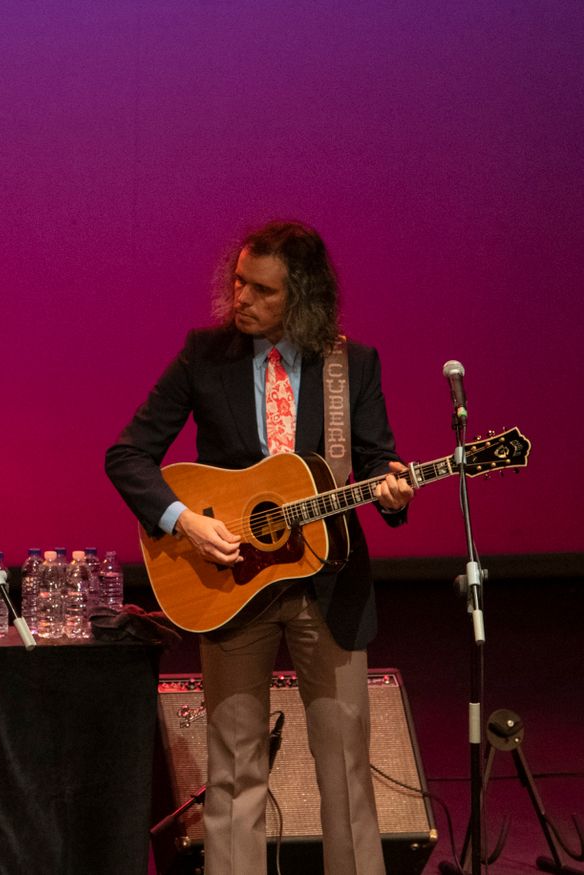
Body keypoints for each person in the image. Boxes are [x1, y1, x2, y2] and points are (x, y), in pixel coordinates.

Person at [105, 221, 415, 875]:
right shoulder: (204, 355)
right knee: (233, 773)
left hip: (329, 589)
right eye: (239, 280)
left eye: (262, 290)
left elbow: (380, 461)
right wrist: (184, 520)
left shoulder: (350, 365)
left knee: (346, 775)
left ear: (302, 299)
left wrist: (394, 492)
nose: (240, 297)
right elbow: (127, 453)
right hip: (232, 586)